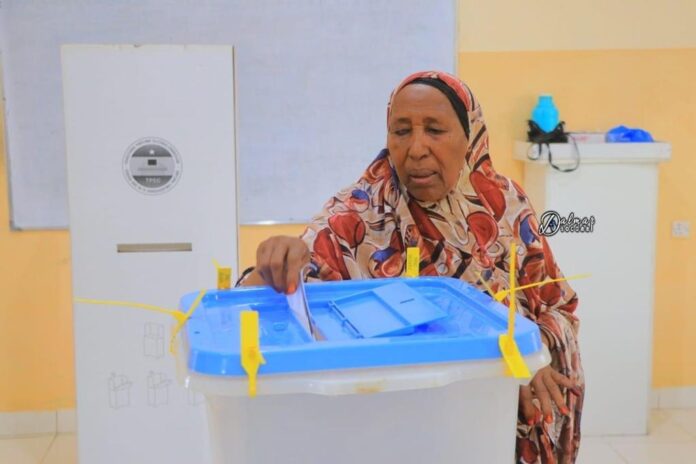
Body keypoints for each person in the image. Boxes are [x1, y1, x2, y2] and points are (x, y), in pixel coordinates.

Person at [239, 70, 584, 463]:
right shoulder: (356, 217)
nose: (416, 148)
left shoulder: (506, 205)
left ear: (469, 135)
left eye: (435, 130)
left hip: (491, 424)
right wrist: (272, 267)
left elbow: (557, 305)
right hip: (396, 432)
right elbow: (278, 297)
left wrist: (532, 355)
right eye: (401, 131)